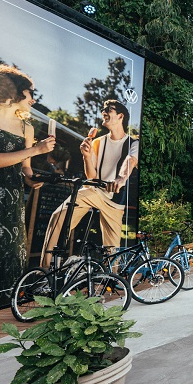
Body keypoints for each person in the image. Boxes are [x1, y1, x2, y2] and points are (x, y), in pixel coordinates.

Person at [0, 64, 55, 305]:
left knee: (10, 254)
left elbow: (26, 169)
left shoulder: (27, 127)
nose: (33, 99)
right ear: (14, 91)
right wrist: (35, 149)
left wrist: (34, 180)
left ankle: (4, 308)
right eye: (30, 93)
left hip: (11, 201)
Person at [41, 99, 138, 266]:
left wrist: (120, 179)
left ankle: (110, 282)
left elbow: (129, 162)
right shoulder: (98, 142)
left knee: (112, 250)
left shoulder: (133, 143)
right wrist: (86, 155)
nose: (104, 111)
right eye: (103, 109)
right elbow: (91, 175)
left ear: (120, 116)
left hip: (115, 201)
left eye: (109, 109)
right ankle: (45, 271)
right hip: (94, 191)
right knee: (58, 217)